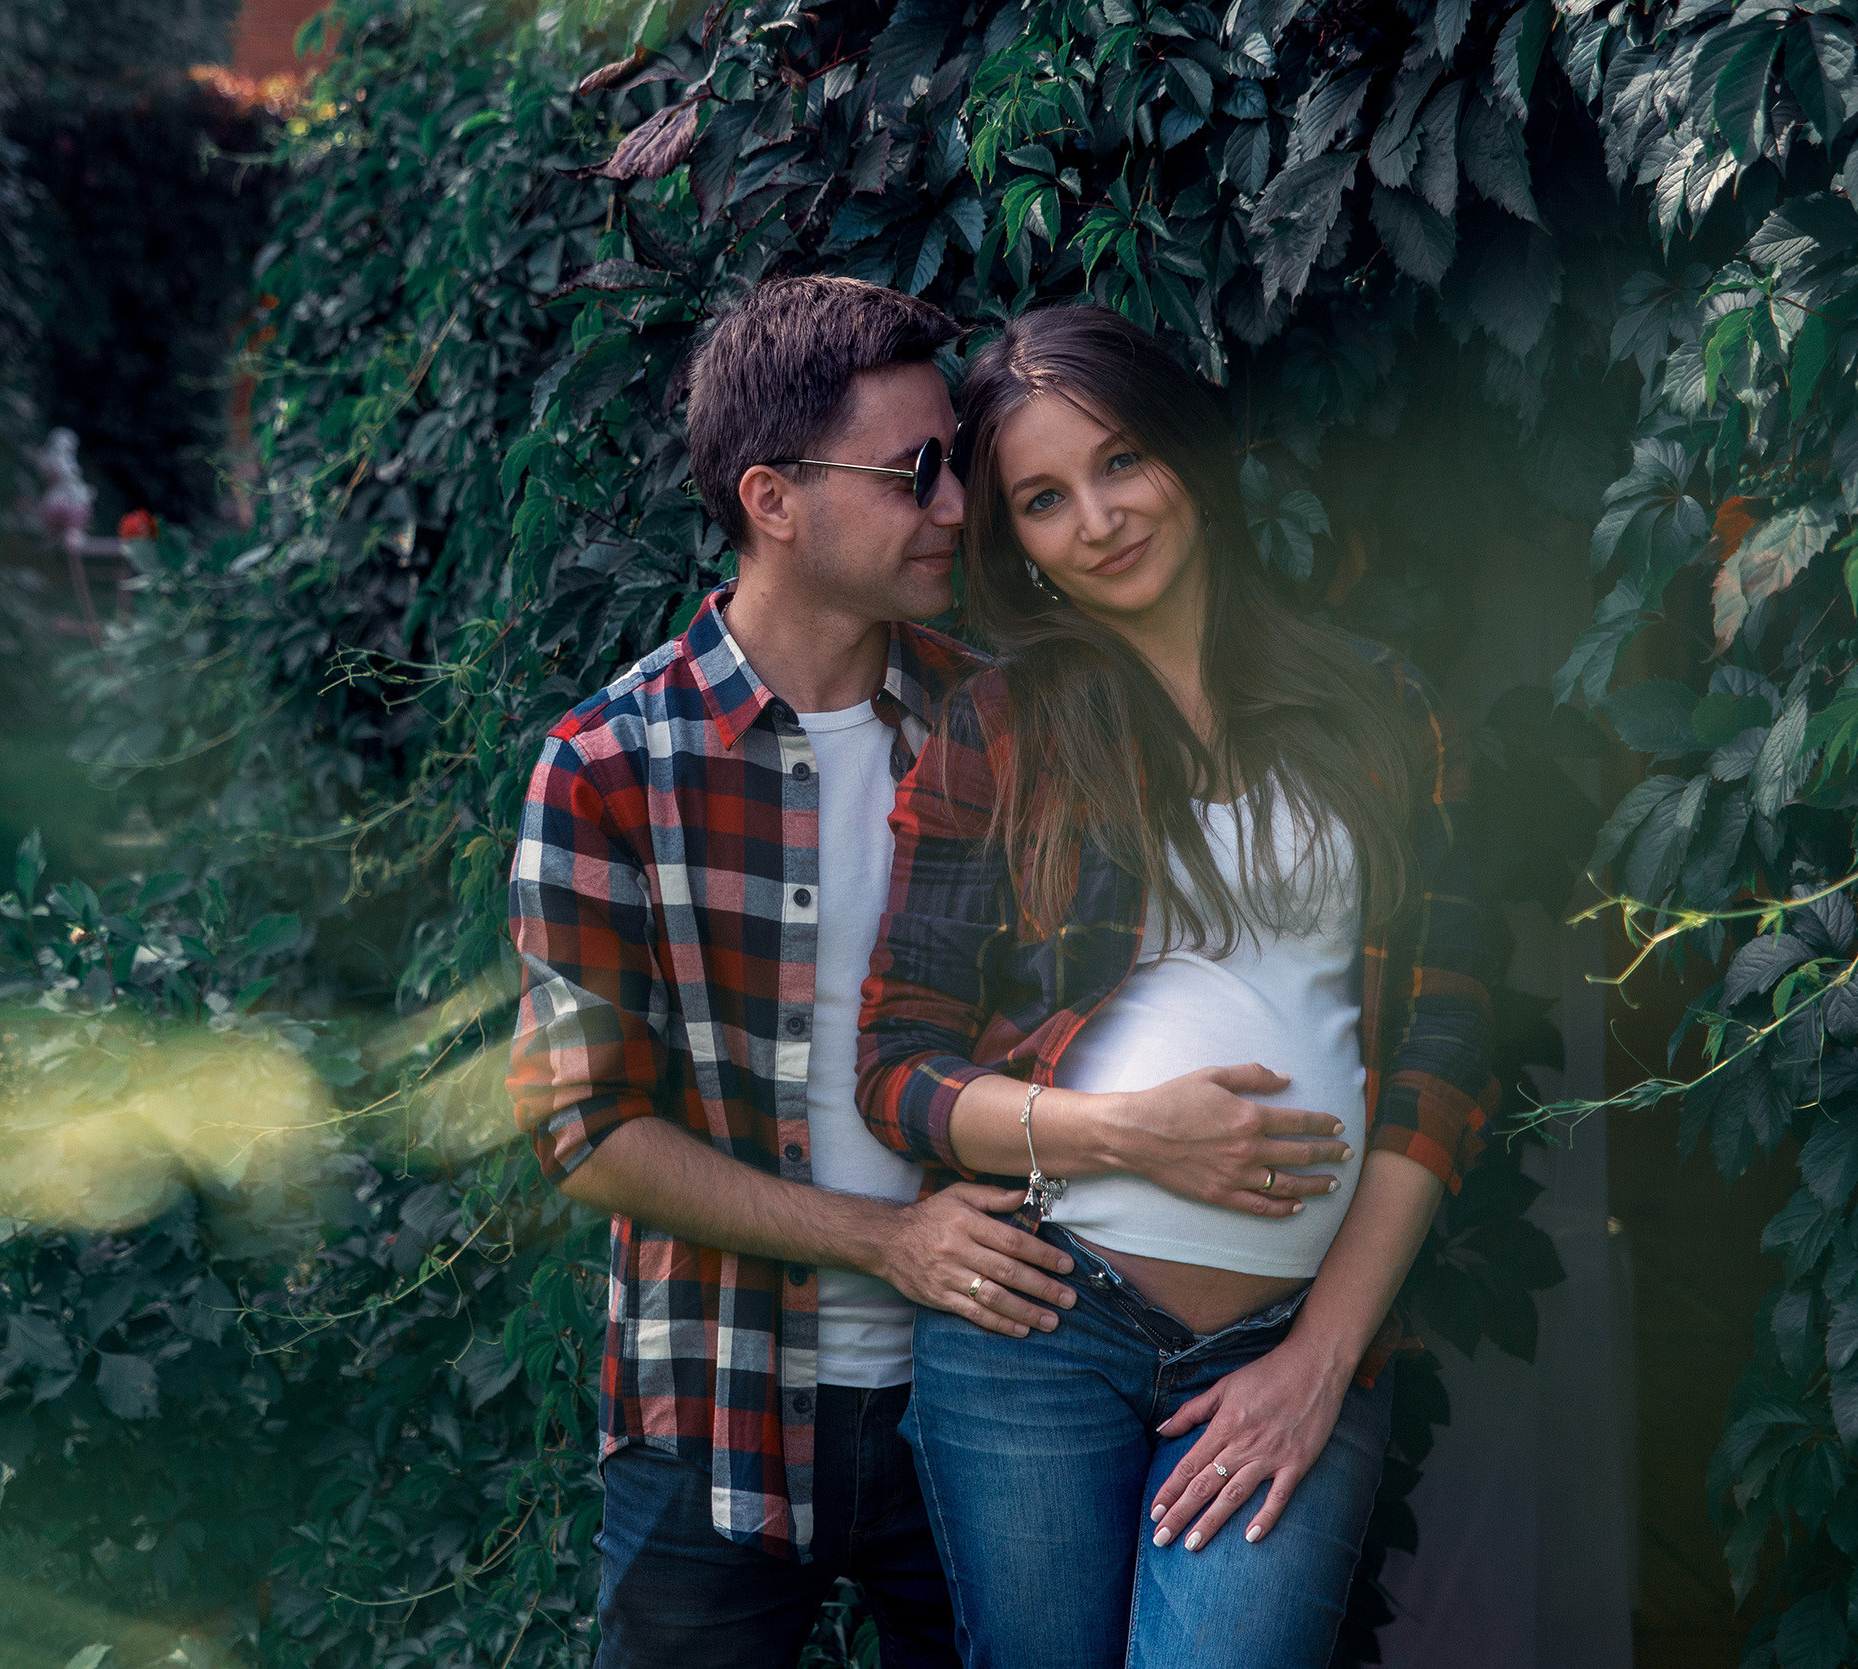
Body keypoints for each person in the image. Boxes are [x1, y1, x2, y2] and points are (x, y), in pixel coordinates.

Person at [507, 276, 1362, 1669]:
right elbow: (585, 1129)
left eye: (957, 470)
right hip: (724, 1404)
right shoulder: (610, 767)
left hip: (1004, 1374)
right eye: (916, 473)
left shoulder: (1019, 720)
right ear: (773, 498)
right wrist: (886, 1240)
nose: (958, 508)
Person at [856, 304, 1495, 1668]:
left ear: (1190, 454)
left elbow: (1444, 1051)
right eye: (1043, 497)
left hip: (1289, 1336)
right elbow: (897, 1063)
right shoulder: (1000, 727)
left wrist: (1321, 1356)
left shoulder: (1382, 706)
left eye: (1123, 461)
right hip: (1038, 1327)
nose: (1096, 517)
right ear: (1012, 538)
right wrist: (1128, 1136)